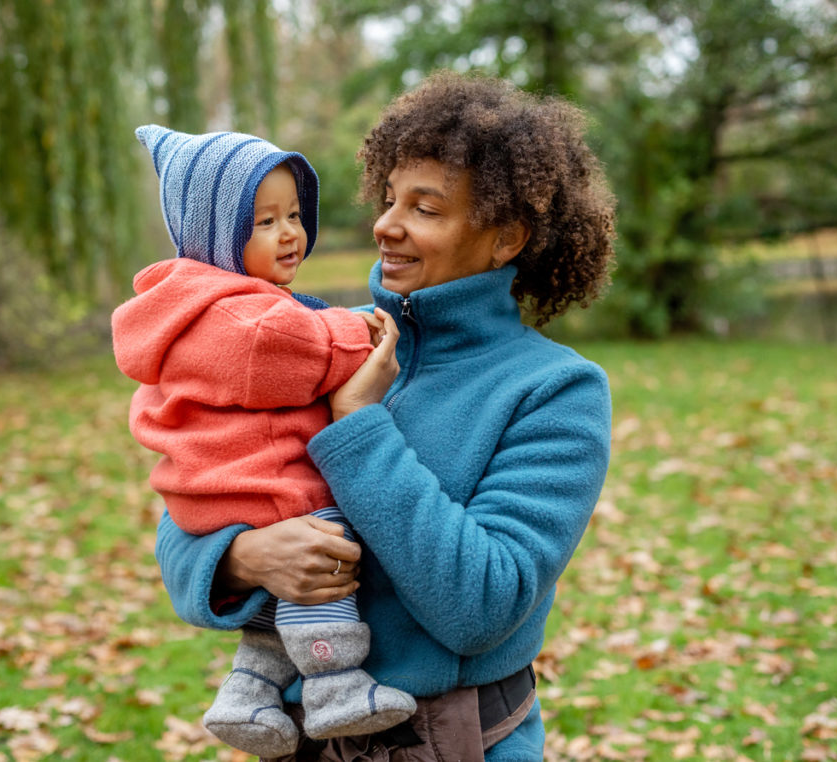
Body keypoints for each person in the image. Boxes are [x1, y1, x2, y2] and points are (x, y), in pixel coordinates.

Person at [153, 71, 617, 761]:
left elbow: (481, 608)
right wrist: (243, 559)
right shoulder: (316, 342)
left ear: (505, 240)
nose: (385, 225)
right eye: (390, 197)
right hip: (299, 736)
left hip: (454, 743)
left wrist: (359, 427)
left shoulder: (555, 391)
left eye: (425, 209)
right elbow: (192, 504)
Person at [112, 125, 416, 759]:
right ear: (215, 237)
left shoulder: (192, 305)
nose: (290, 234)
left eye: (295, 215)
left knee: (277, 606)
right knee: (325, 544)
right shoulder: (242, 320)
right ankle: (335, 686)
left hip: (210, 491)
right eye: (264, 221)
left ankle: (247, 693)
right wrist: (359, 330)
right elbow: (301, 349)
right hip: (266, 482)